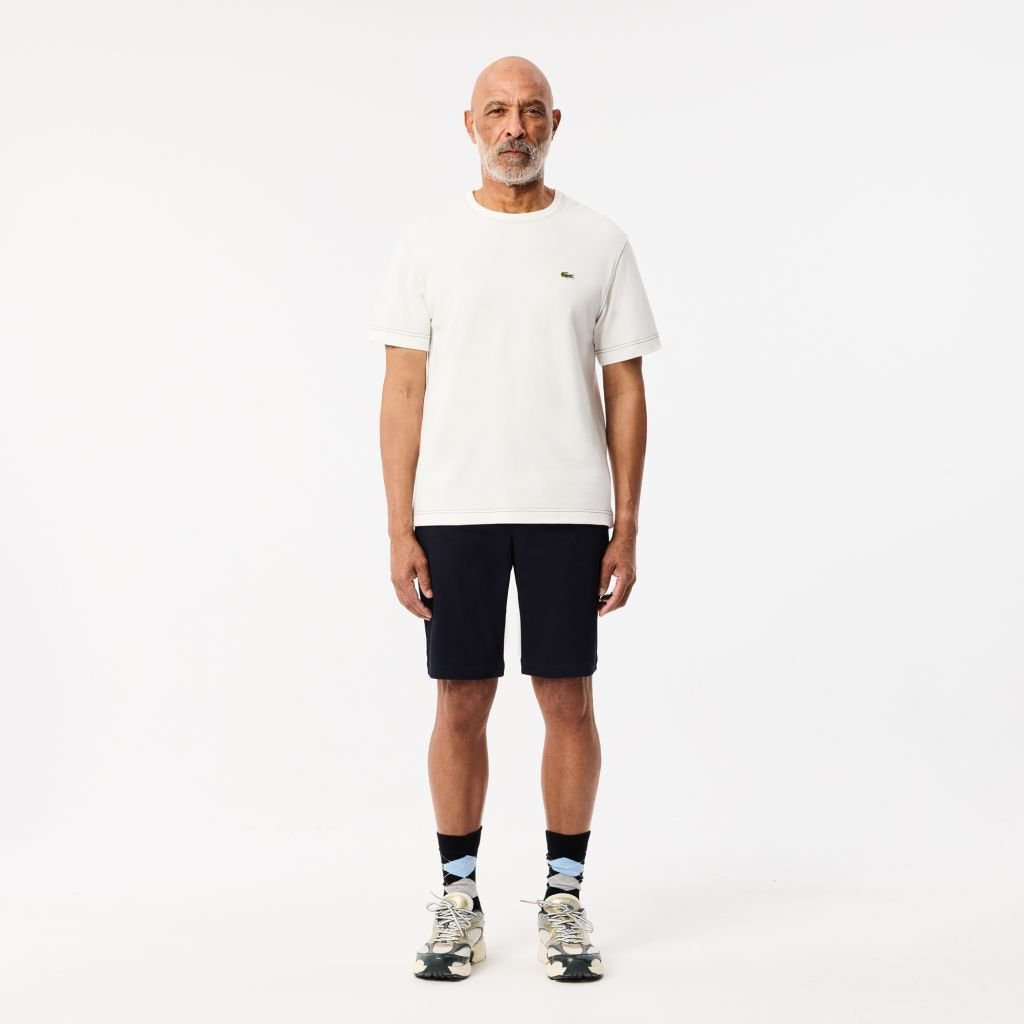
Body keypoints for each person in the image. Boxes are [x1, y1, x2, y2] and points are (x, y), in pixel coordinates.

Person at [372, 54, 662, 982]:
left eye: (532, 111)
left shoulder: (601, 241)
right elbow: (403, 390)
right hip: (455, 508)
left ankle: (564, 899)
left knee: (567, 698)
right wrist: (399, 526)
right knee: (461, 699)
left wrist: (625, 524)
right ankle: (458, 898)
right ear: (469, 125)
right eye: (497, 111)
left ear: (554, 124)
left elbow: (626, 389)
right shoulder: (428, 244)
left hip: (567, 510)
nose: (515, 128)